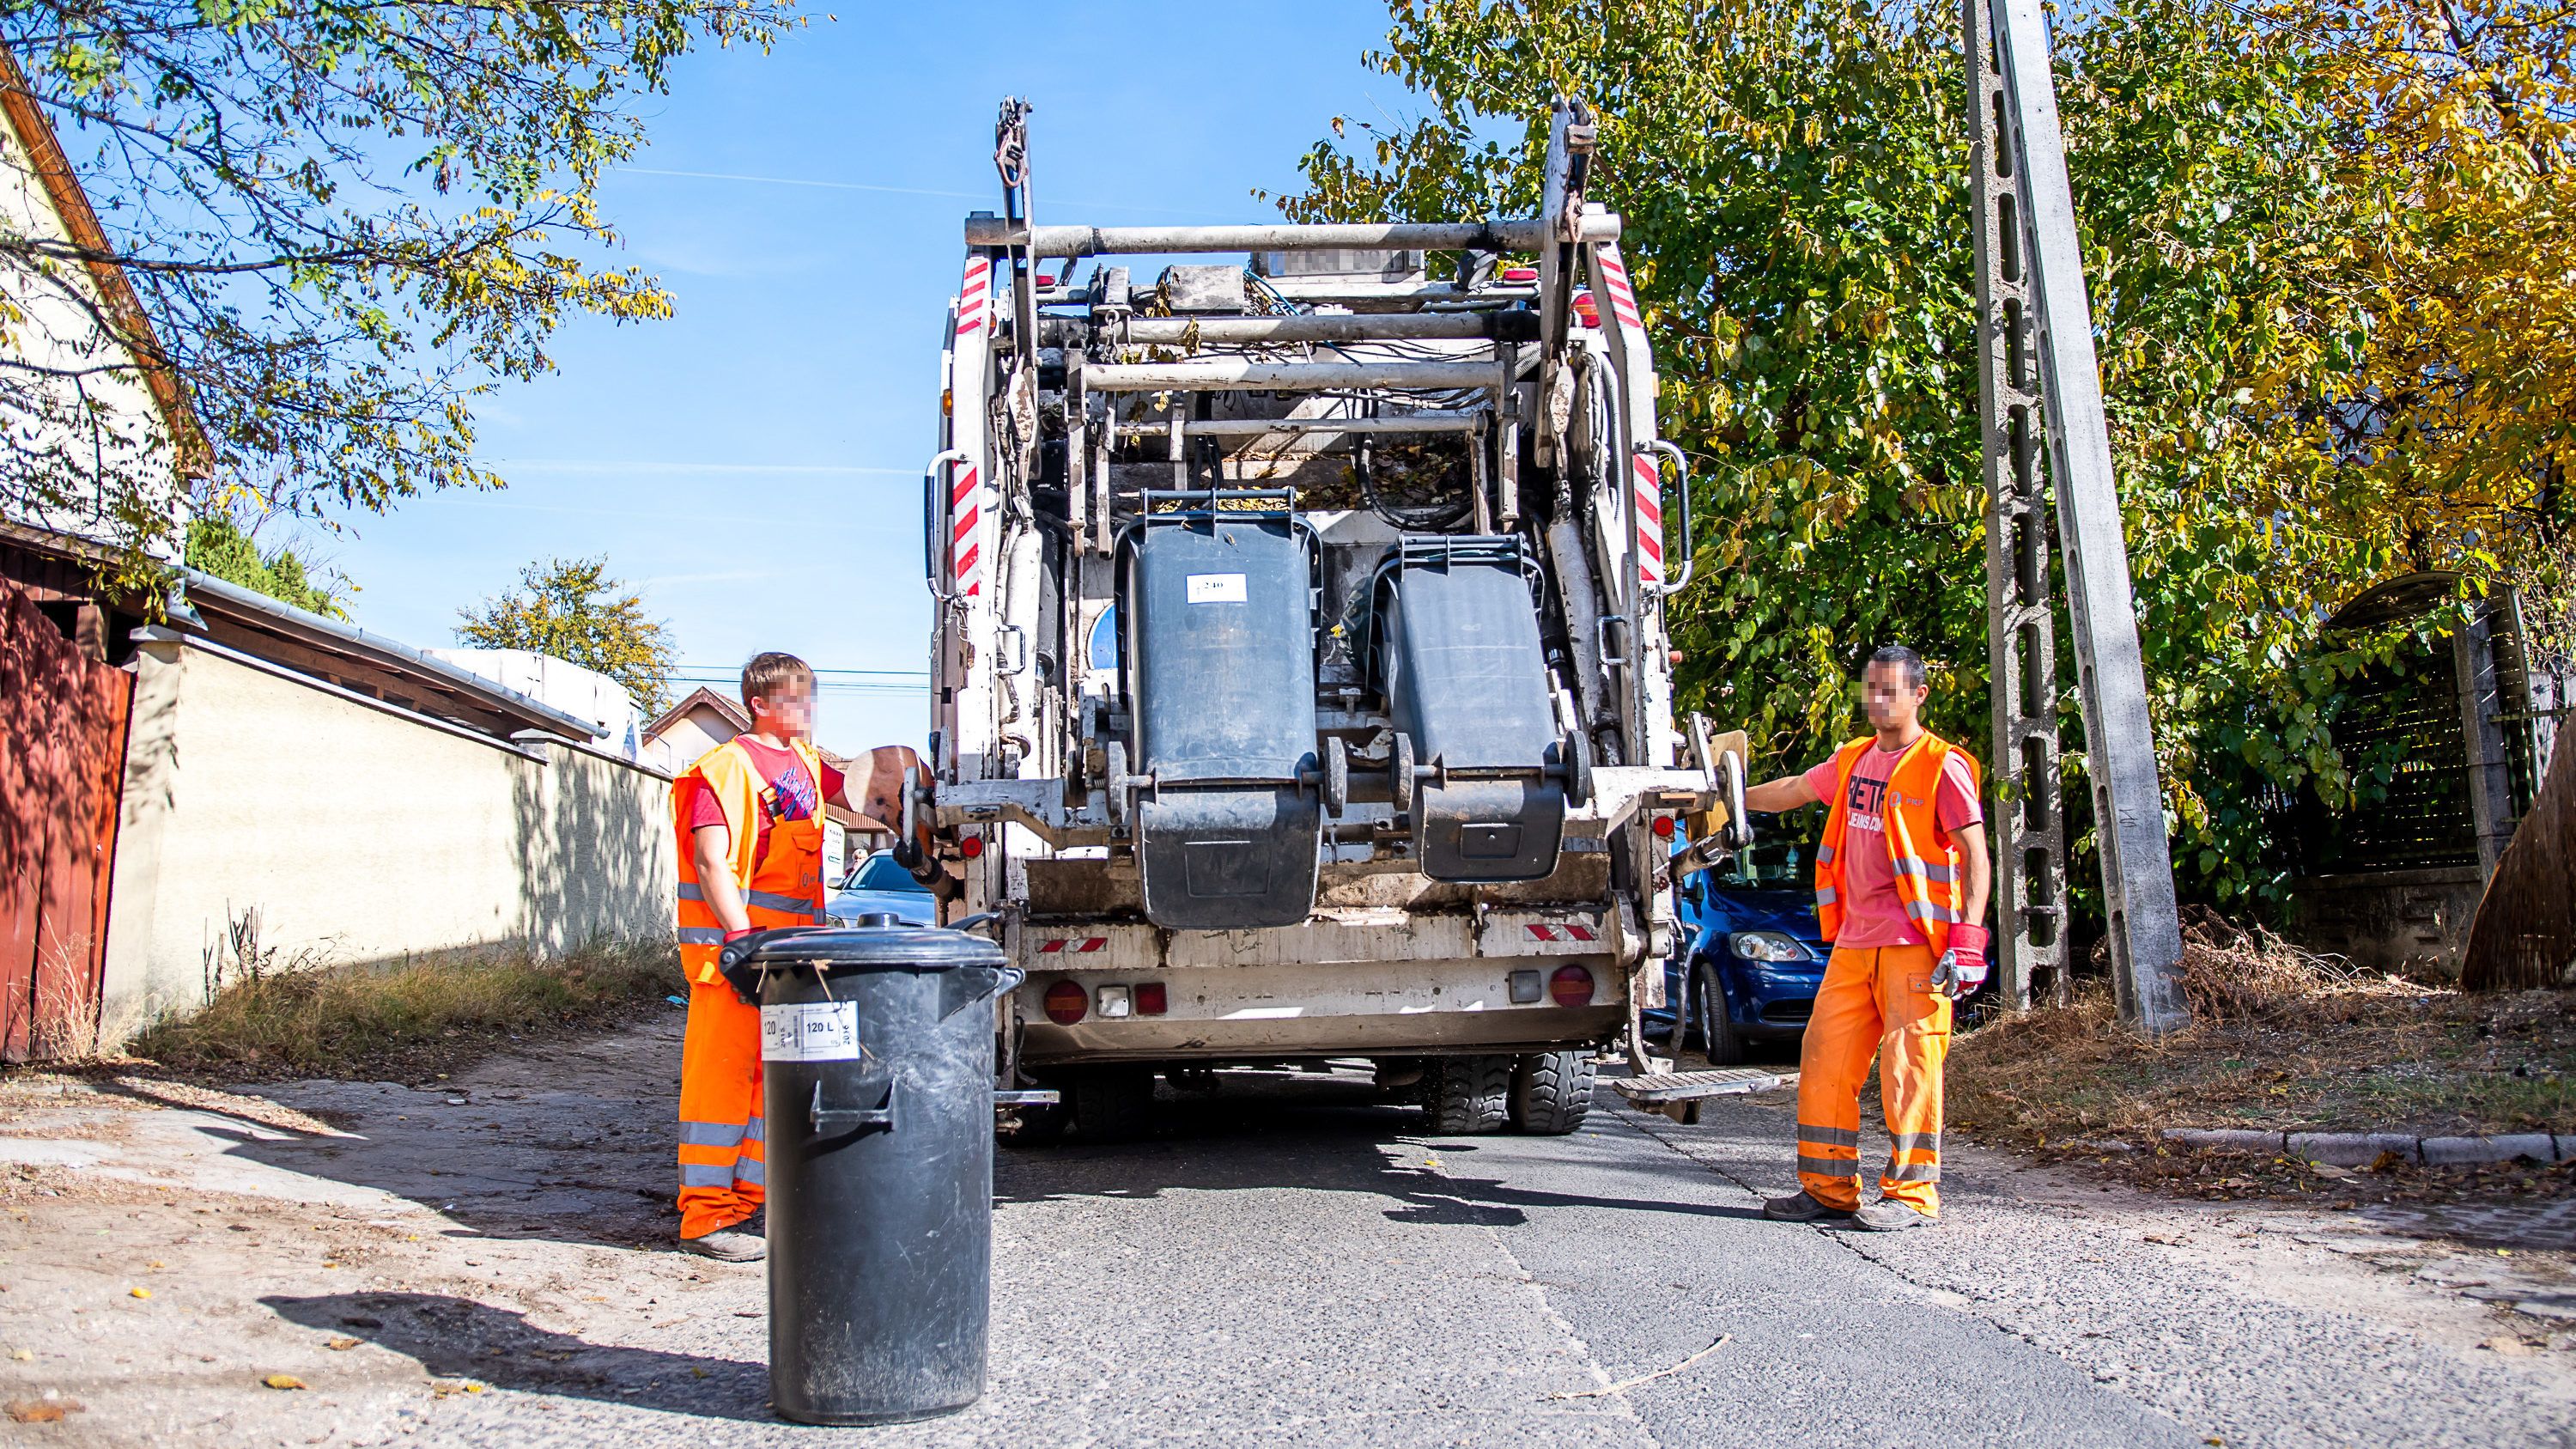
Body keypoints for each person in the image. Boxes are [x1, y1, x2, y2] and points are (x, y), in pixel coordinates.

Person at [670, 652, 925, 1261]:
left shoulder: (806, 765)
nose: (807, 710)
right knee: (722, 1087)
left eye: (811, 698)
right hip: (734, 958)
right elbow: (711, 861)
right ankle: (704, 1218)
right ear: (759, 703)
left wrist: (912, 794)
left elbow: (866, 792)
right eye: (794, 699)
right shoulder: (722, 770)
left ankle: (747, 1206)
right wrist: (740, 937)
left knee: (772, 1086)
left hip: (789, 959)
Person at [1739, 645, 1991, 1232]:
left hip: (1916, 946)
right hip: (1855, 943)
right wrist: (1729, 797)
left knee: (1911, 1066)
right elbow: (1798, 788)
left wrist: (1969, 938)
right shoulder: (1854, 759)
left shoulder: (1941, 764)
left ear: (1919, 694)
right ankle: (1827, 1187)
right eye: (1871, 688)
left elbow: (1976, 854)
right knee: (1824, 1058)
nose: (1878, 700)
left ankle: (1911, 1194)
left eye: (1890, 690)